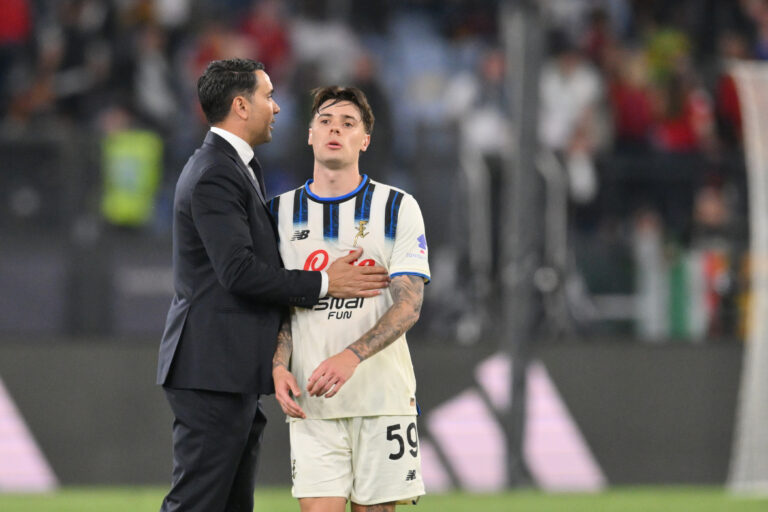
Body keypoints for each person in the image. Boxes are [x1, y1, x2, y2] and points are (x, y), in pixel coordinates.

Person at [157, 59, 390, 512]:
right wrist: (326, 281)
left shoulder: (232, 166)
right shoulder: (215, 173)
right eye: (268, 96)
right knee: (198, 504)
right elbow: (238, 272)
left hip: (229, 370)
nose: (277, 107)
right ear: (241, 106)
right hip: (211, 371)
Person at [270, 86, 430, 512]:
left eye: (348, 123)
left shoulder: (397, 207)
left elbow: (409, 304)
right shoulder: (277, 214)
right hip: (312, 403)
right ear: (309, 135)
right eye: (325, 121)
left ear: (365, 141)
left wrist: (351, 356)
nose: (334, 129)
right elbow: (280, 302)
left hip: (382, 402)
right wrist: (277, 363)